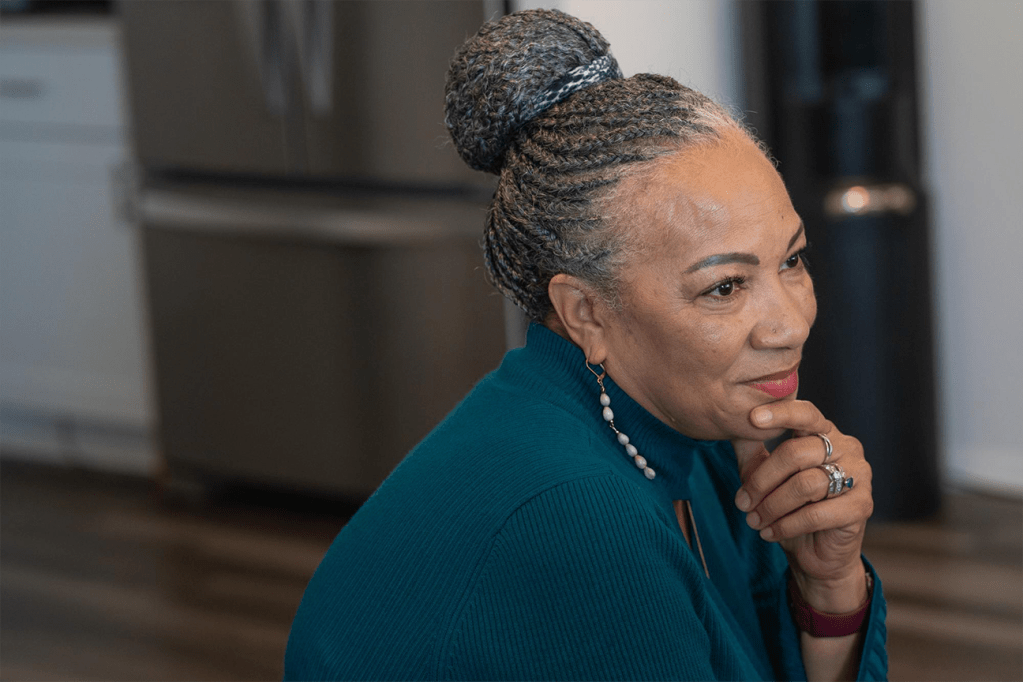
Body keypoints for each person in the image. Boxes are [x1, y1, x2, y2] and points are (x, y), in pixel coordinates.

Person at [284, 9, 887, 682]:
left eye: (792, 261)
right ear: (585, 313)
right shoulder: (577, 518)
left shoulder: (707, 434)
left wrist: (829, 586)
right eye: (723, 287)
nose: (789, 325)